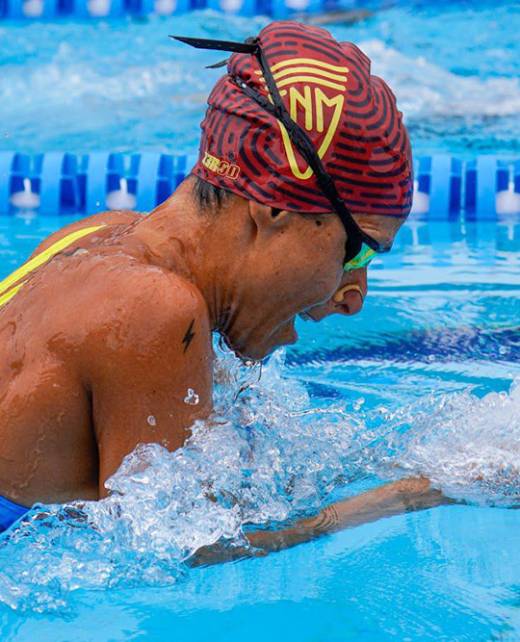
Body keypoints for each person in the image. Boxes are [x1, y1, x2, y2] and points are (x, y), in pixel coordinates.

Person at [0, 20, 444, 552]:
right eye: (359, 249)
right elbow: (178, 554)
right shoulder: (151, 308)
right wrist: (419, 493)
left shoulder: (95, 236)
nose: (354, 296)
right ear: (275, 206)